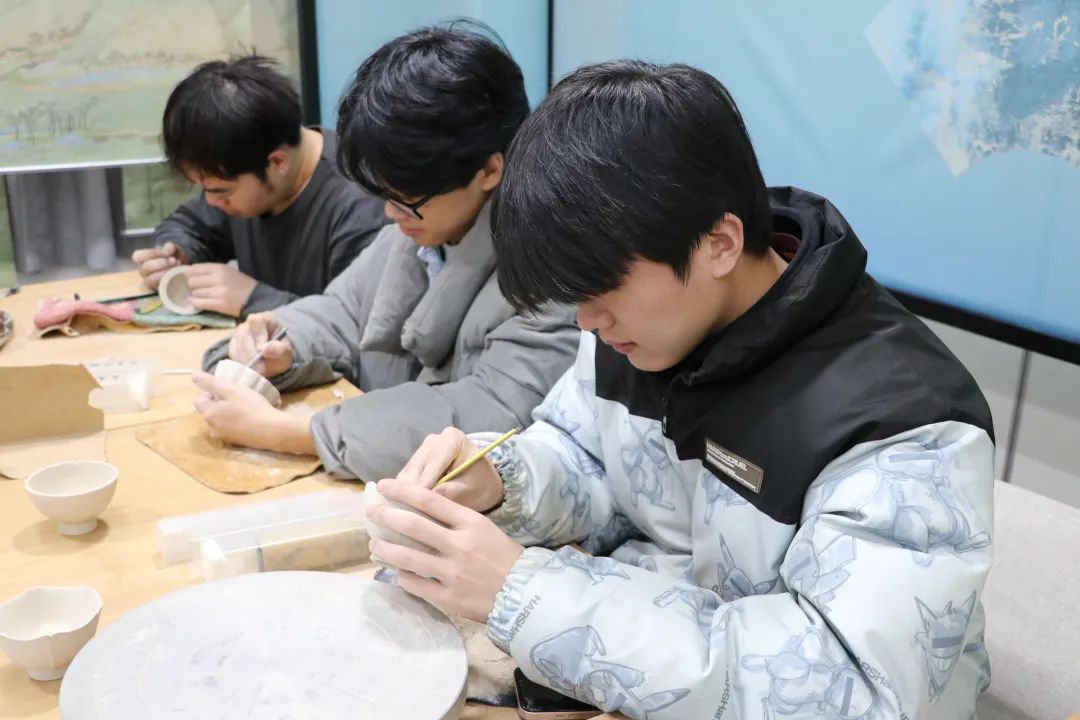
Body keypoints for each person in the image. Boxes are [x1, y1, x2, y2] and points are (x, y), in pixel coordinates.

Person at [366, 61, 996, 719]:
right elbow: (586, 457)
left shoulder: (905, 426)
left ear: (719, 244)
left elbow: (851, 690)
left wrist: (525, 594)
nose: (587, 322)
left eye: (600, 291)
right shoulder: (641, 324)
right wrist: (499, 481)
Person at [191, 26, 579, 483]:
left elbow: (489, 414)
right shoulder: (426, 222)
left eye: (406, 199)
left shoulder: (556, 266)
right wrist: (282, 343)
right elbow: (343, 311)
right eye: (385, 194)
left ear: (490, 170)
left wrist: (292, 432)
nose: (390, 213)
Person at [132, 55, 386, 318]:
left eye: (219, 191)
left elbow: (357, 327)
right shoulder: (243, 167)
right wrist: (177, 254)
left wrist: (253, 299)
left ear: (277, 163)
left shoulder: (362, 210)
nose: (211, 201)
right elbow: (189, 224)